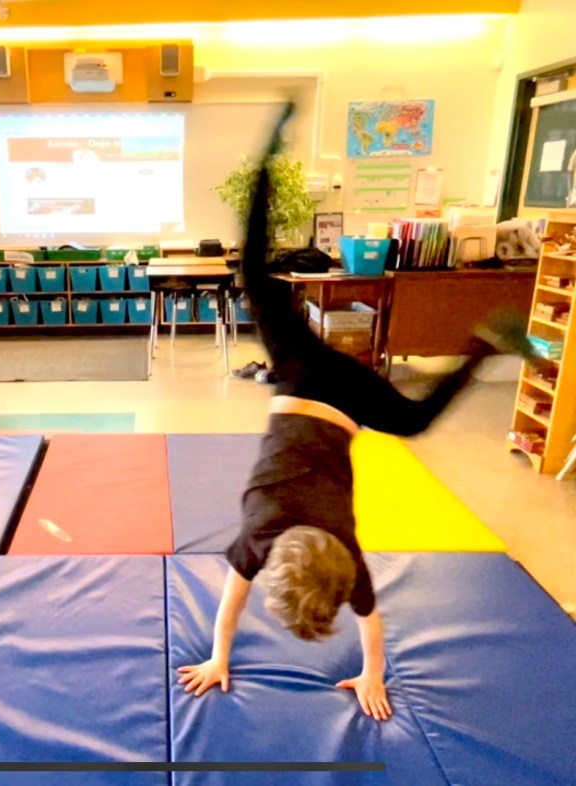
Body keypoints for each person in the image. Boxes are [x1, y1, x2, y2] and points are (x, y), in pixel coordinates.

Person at [177, 102, 539, 722]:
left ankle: (484, 344)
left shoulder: (342, 551)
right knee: (253, 277)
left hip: (343, 395)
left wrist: (370, 671)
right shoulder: (264, 534)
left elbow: (368, 619)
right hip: (302, 377)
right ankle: (267, 161)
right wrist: (221, 656)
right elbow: (240, 596)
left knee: (413, 419)